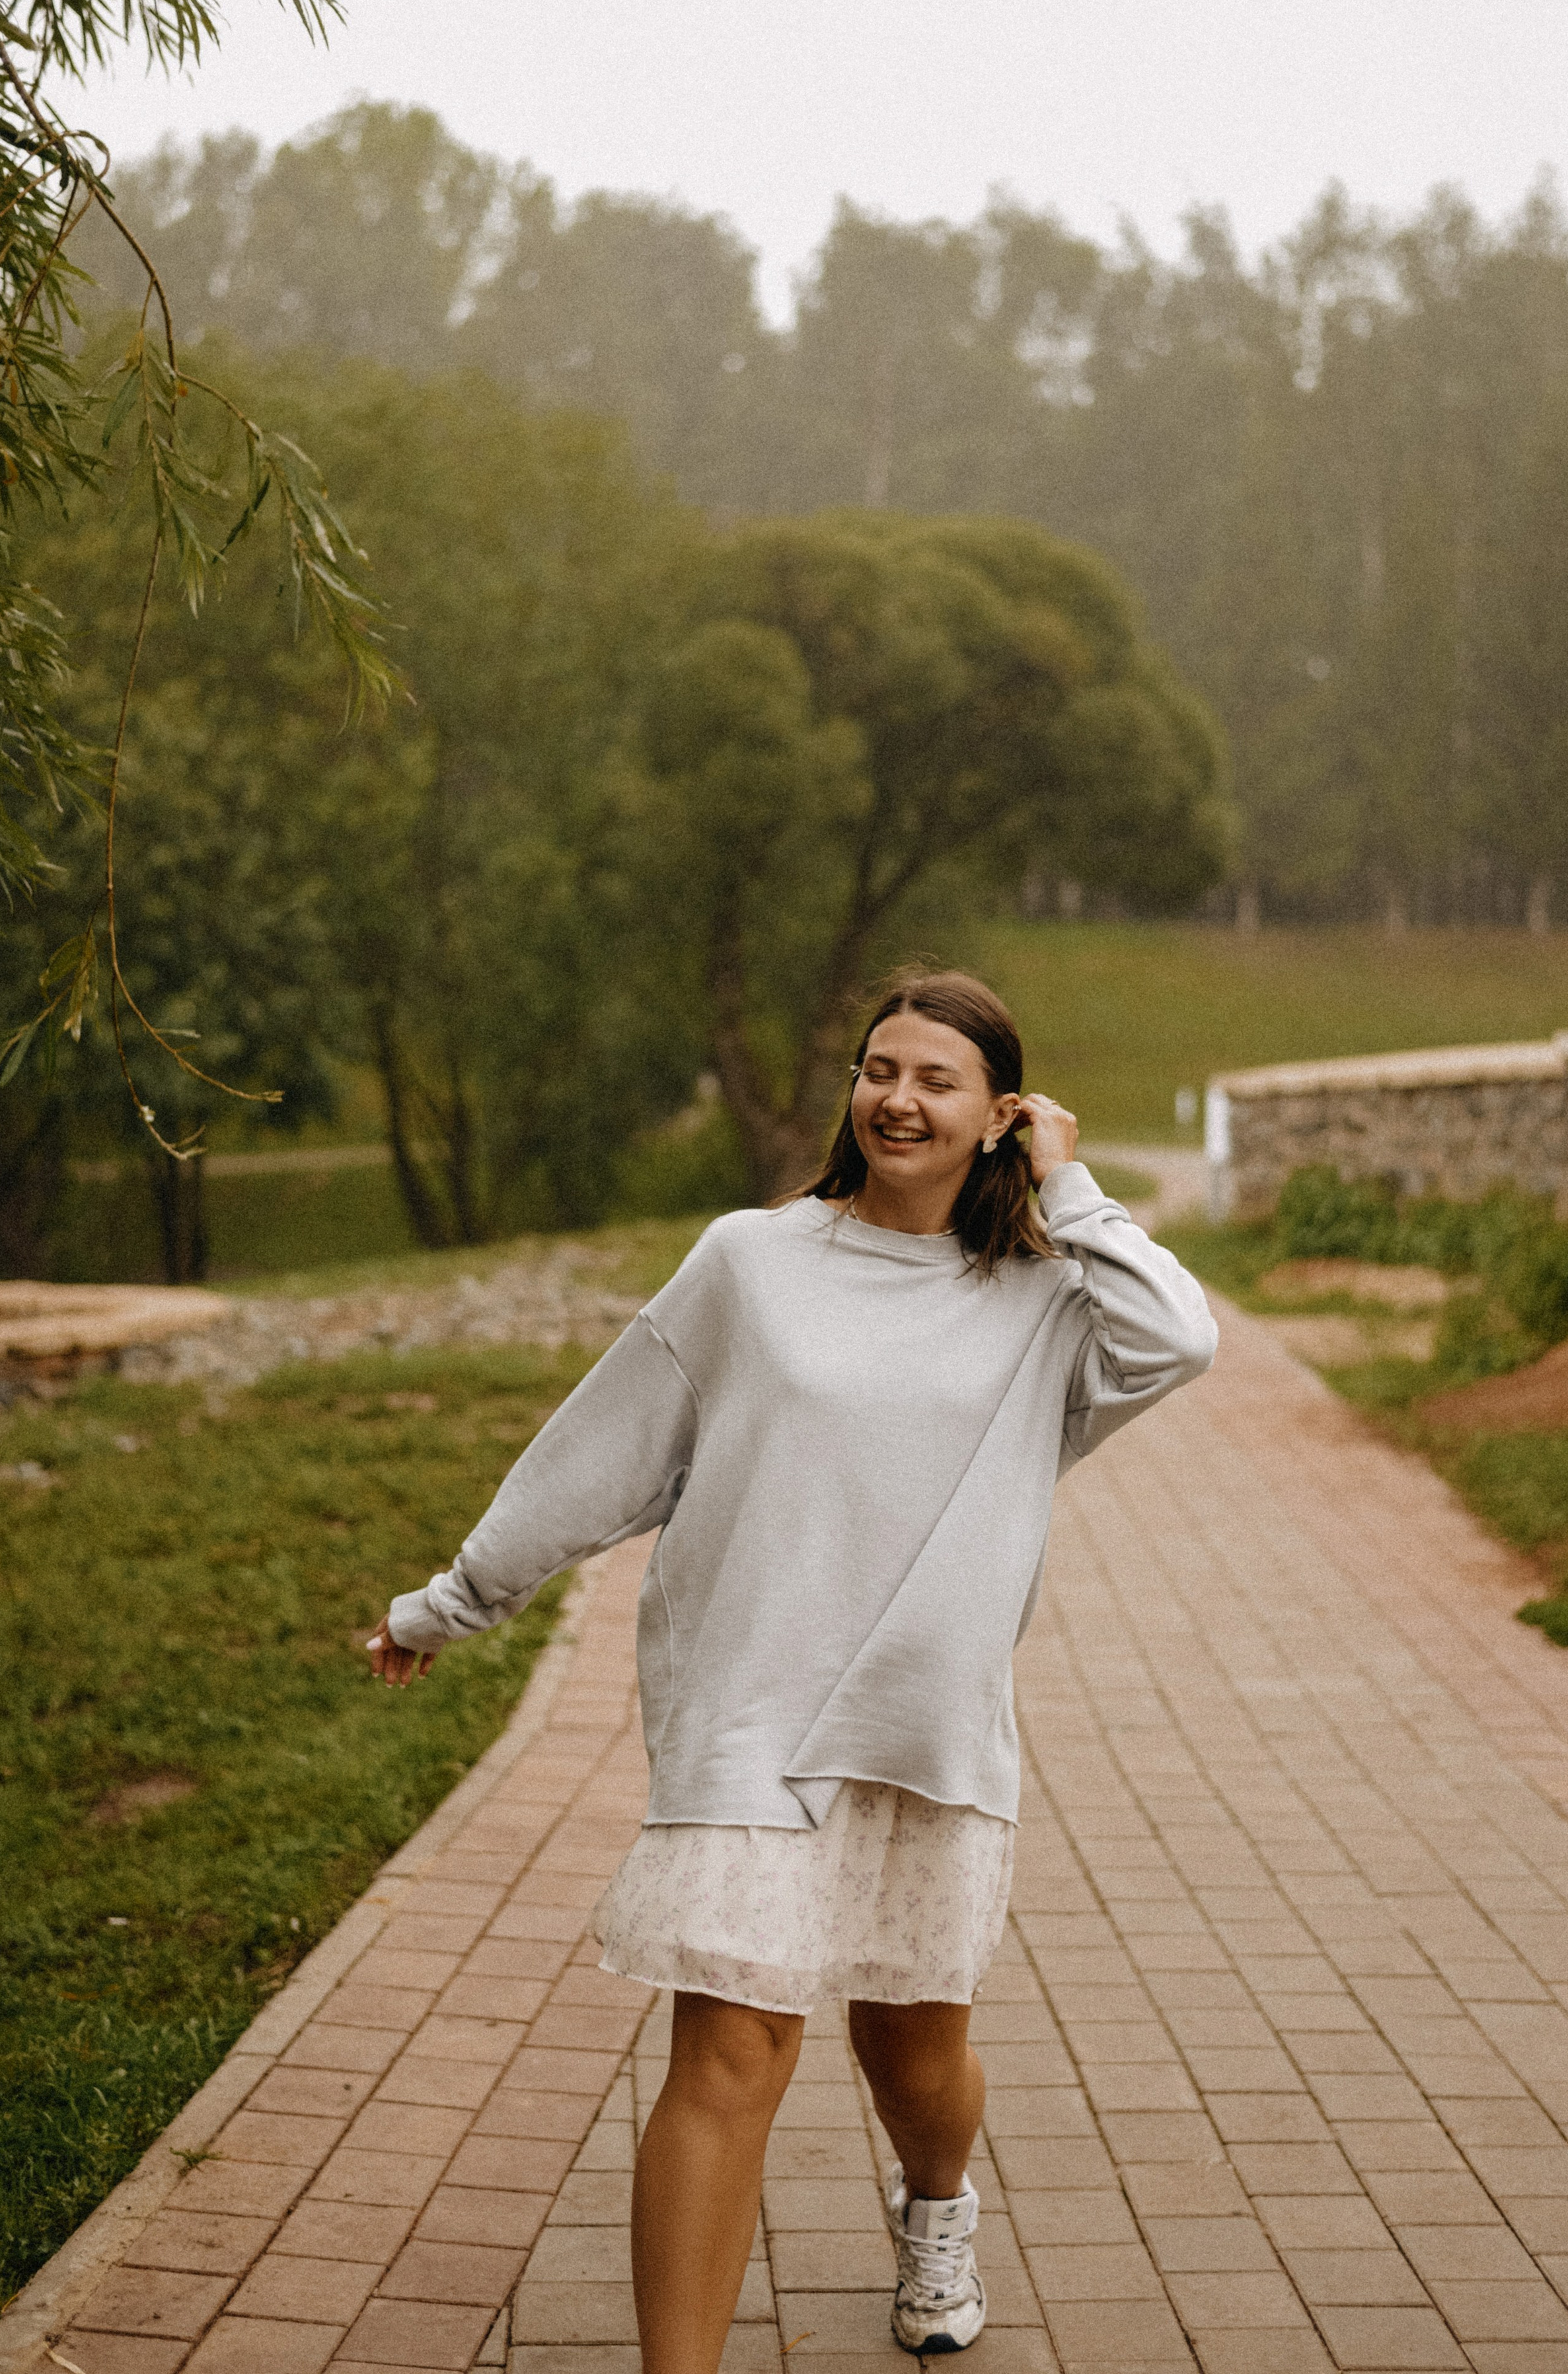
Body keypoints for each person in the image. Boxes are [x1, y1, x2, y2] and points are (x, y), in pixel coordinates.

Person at [369, 970, 1216, 2373]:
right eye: (878, 1068)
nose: (896, 1097)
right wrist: (452, 1599)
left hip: (923, 1725)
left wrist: (1067, 1191)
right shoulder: (749, 1262)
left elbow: (1178, 1337)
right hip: (745, 1718)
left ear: (997, 1114)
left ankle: (937, 2204)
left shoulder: (1044, 1300)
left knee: (911, 2047)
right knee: (730, 2053)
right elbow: (604, 1448)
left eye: (936, 1079)